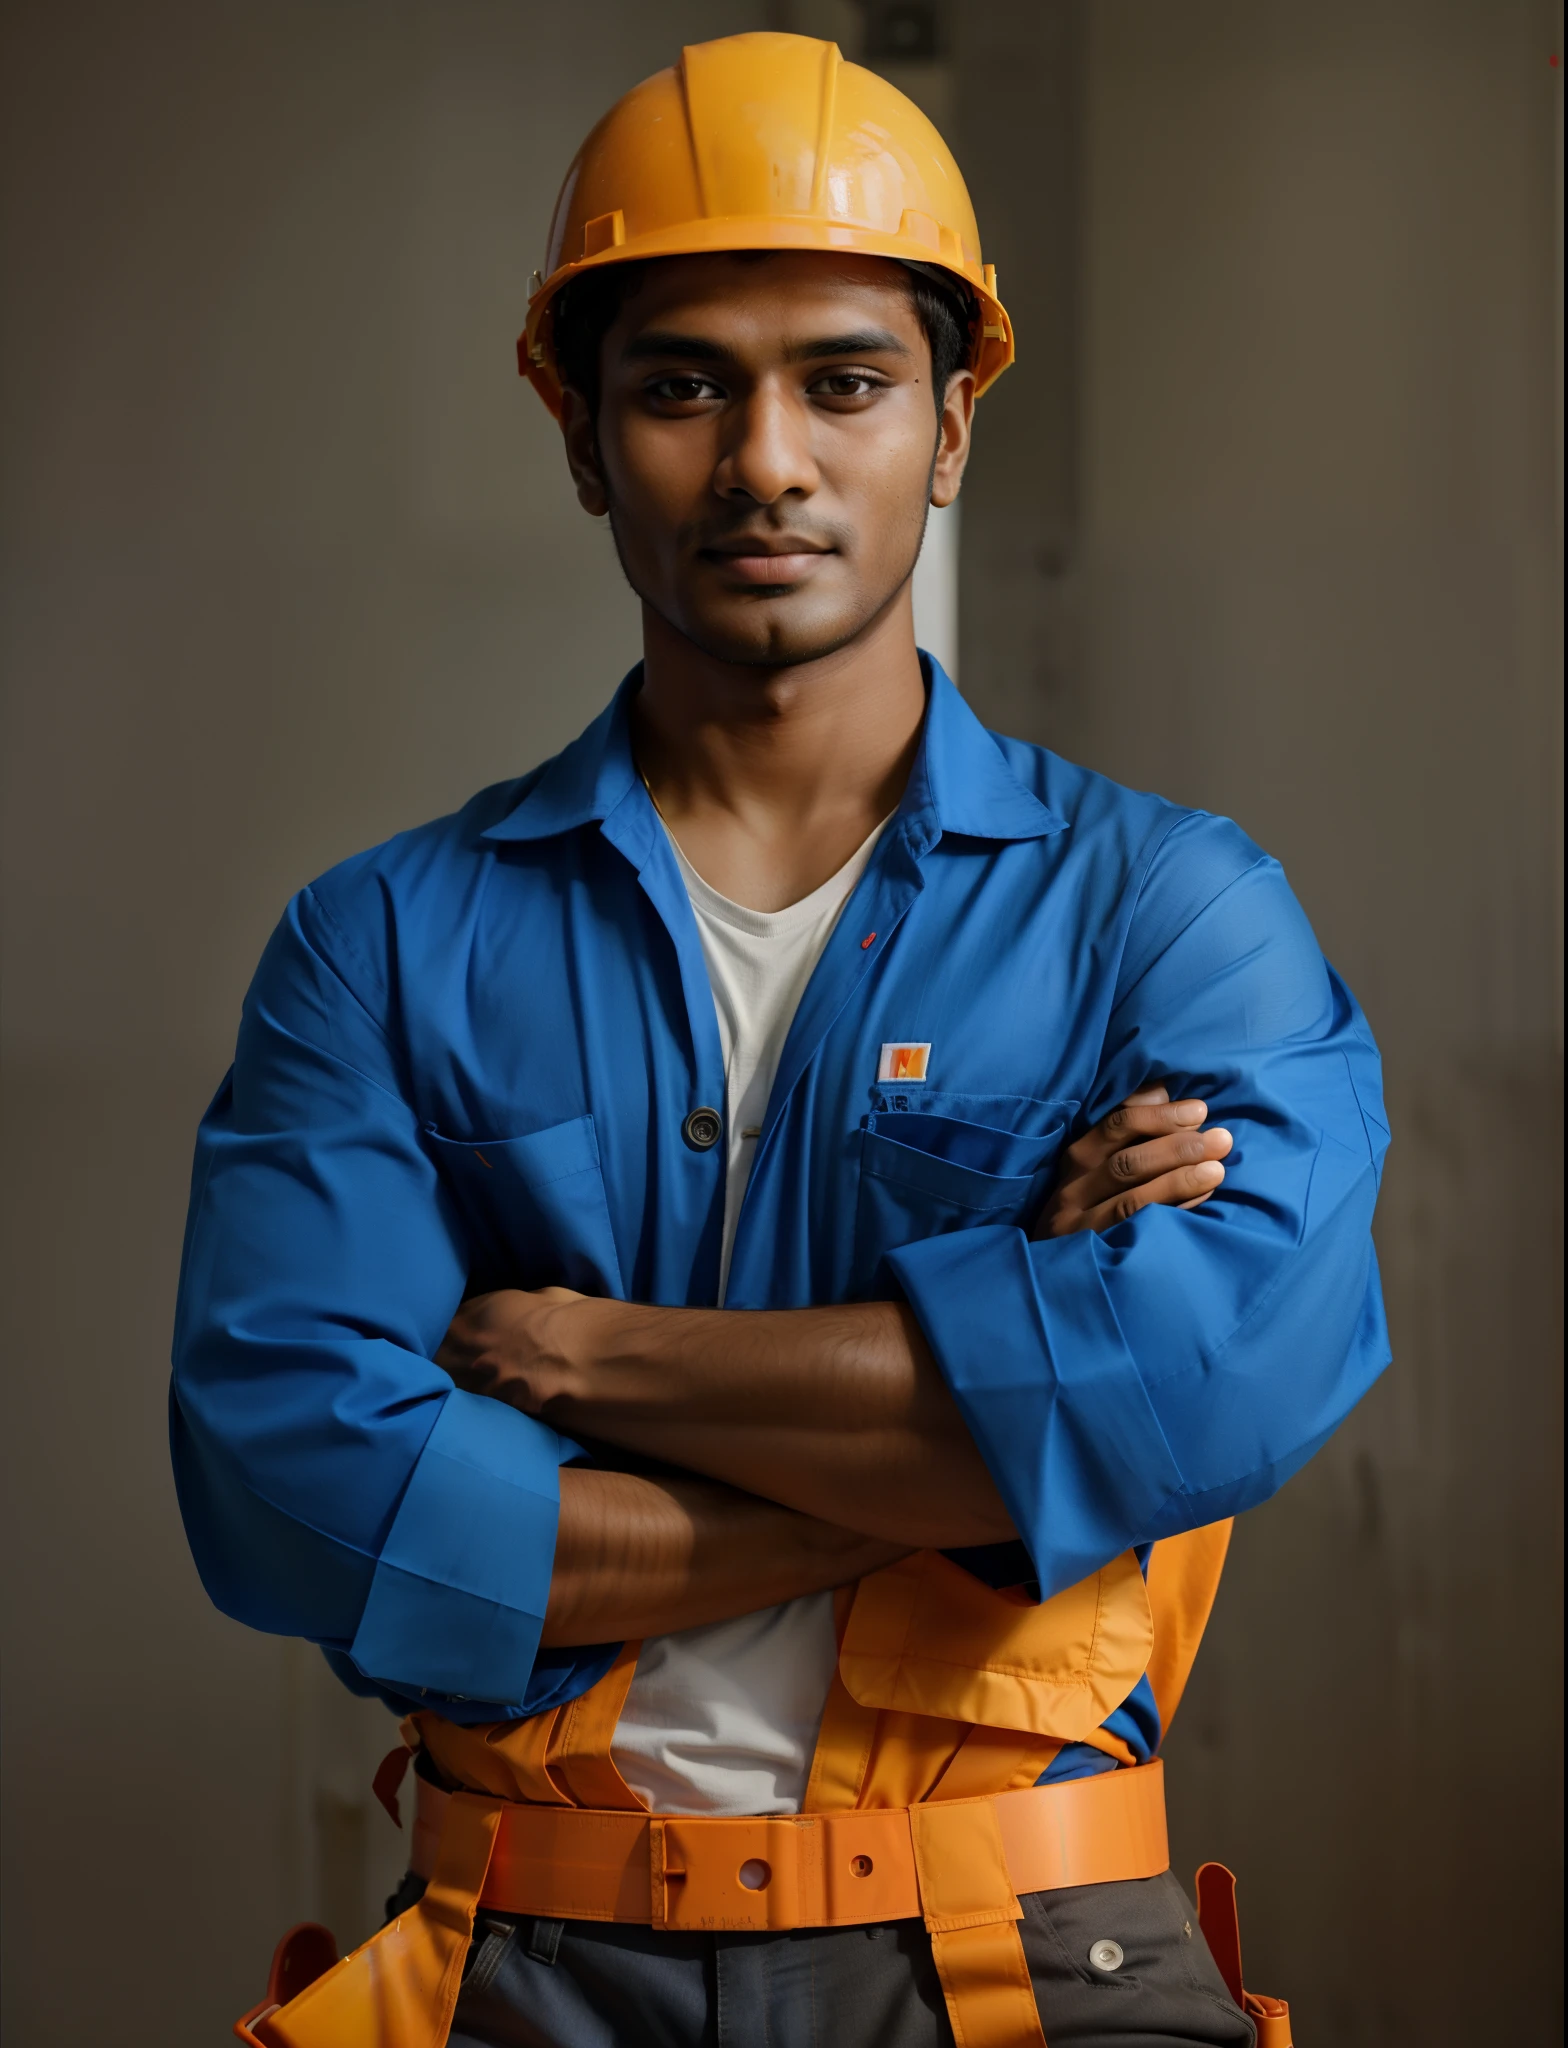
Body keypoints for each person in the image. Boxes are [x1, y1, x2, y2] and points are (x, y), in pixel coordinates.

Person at [174, 32, 1388, 2048]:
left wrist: (587, 1358)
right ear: (581, 438)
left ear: (952, 422)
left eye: (842, 381)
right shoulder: (381, 943)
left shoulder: (1164, 912)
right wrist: (1004, 1441)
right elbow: (294, 1488)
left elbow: (1217, 1371)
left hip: (1035, 1962)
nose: (764, 462)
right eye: (679, 387)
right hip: (519, 1961)